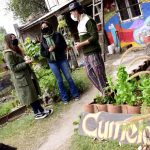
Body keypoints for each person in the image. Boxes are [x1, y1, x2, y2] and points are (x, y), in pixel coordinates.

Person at [3, 34, 53, 120]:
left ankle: (41, 110)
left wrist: (26, 60)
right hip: (22, 79)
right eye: (13, 38)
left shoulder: (16, 49)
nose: (15, 39)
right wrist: (25, 63)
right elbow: (13, 68)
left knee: (33, 94)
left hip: (27, 76)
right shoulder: (8, 53)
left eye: (15, 37)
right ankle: (37, 113)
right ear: (9, 41)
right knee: (30, 96)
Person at [69, 2, 107, 95]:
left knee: (99, 74)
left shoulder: (88, 20)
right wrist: (79, 45)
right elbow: (84, 37)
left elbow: (94, 37)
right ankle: (104, 91)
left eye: (72, 11)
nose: (71, 14)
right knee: (90, 74)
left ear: (77, 11)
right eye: (71, 12)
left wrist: (81, 44)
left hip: (93, 52)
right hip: (86, 53)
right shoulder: (80, 22)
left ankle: (108, 92)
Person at [40, 21, 79, 104]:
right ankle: (65, 98)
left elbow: (64, 45)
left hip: (61, 59)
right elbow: (42, 53)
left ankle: (75, 95)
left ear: (49, 26)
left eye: (45, 26)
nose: (44, 28)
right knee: (59, 80)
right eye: (42, 27)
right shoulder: (42, 40)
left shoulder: (57, 34)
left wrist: (55, 47)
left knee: (68, 77)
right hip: (52, 62)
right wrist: (48, 51)